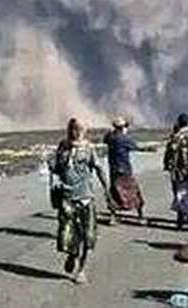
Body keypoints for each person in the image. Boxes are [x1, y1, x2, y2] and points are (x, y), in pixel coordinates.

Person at [50, 117, 108, 284]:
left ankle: (81, 269)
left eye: (78, 129)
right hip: (67, 199)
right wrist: (52, 166)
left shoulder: (89, 149)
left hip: (85, 198)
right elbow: (57, 168)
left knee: (87, 236)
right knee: (67, 235)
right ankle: (72, 255)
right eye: (72, 129)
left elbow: (98, 169)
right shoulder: (63, 146)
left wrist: (106, 191)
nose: (75, 132)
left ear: (84, 131)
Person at [103, 116, 145, 222]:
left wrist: (111, 132)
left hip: (113, 169)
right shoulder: (125, 139)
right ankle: (140, 216)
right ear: (122, 127)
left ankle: (112, 216)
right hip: (125, 169)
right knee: (134, 192)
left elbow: (105, 139)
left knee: (114, 192)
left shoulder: (110, 138)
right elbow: (135, 147)